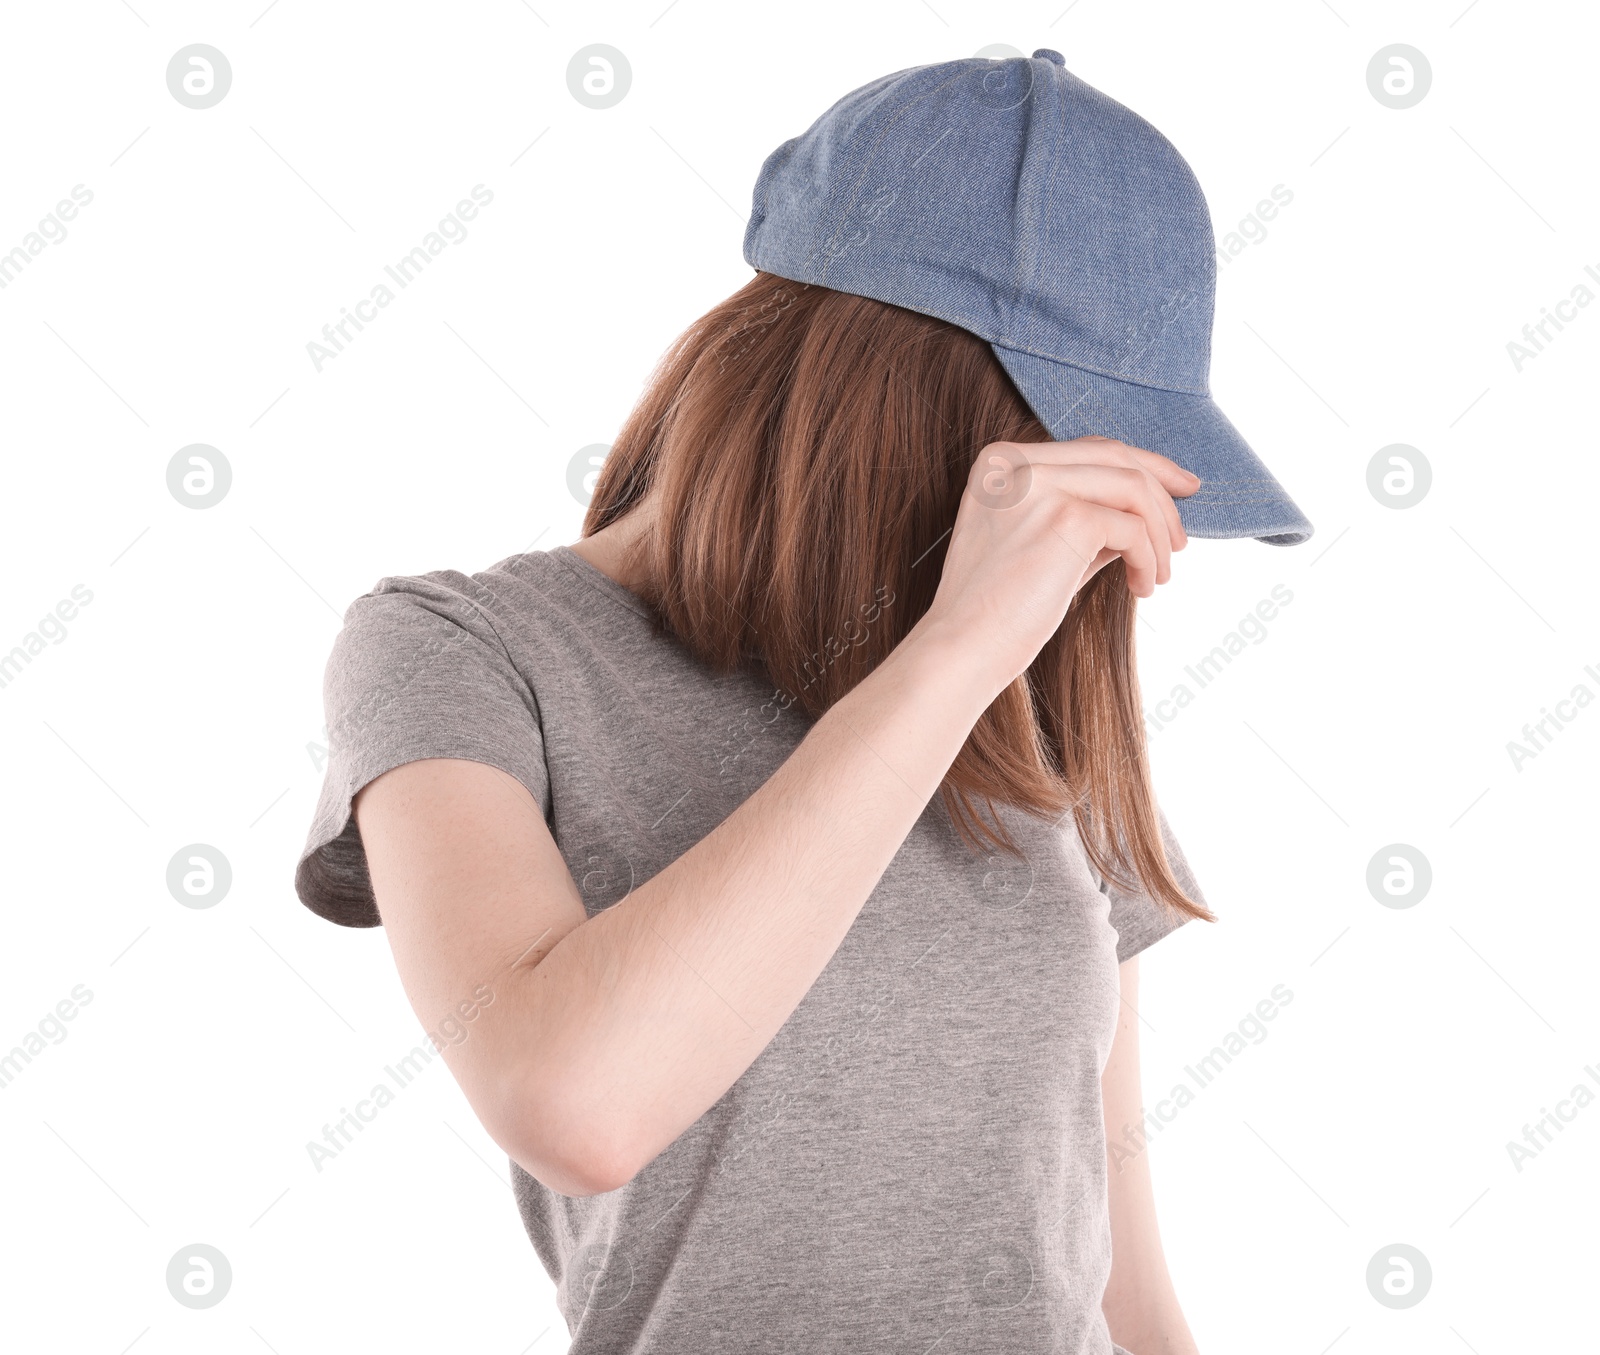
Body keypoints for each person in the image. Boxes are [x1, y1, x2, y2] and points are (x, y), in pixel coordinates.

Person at [295, 48, 1312, 1355]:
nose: (1093, 556)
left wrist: (980, 655)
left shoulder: (1027, 670)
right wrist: (949, 658)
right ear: (898, 399)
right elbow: (574, 1104)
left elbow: (1118, 1262)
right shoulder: (464, 652)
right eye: (1067, 466)